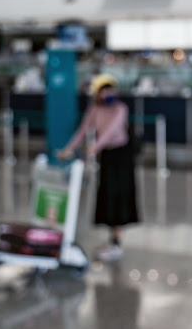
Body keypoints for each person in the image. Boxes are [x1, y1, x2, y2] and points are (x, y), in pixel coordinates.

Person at [58, 74, 139, 261]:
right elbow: (84, 129)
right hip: (107, 156)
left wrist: (94, 148)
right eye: (104, 91)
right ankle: (112, 240)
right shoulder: (95, 109)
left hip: (122, 156)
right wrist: (69, 149)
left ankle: (117, 242)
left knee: (121, 198)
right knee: (108, 196)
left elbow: (111, 130)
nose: (108, 94)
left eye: (111, 90)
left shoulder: (120, 109)